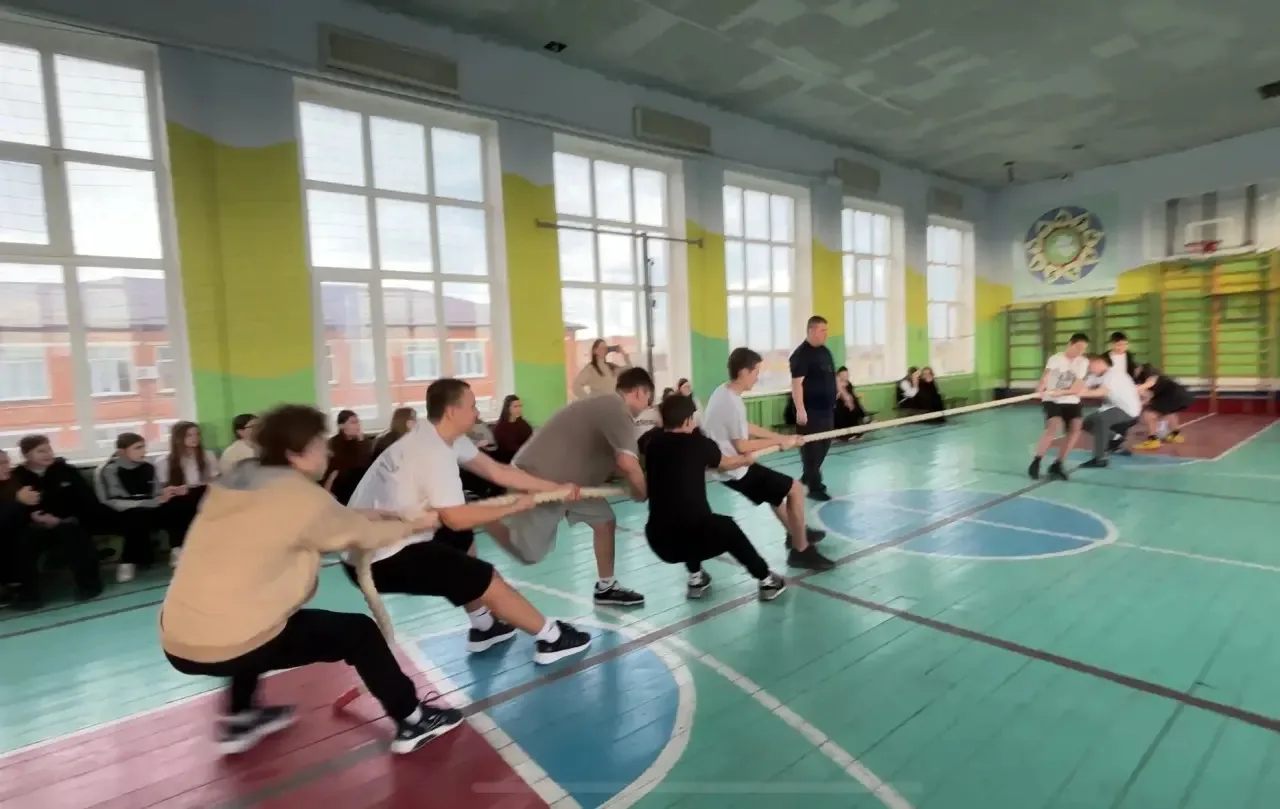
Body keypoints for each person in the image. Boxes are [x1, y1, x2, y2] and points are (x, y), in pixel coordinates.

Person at [160, 404, 463, 757]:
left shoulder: (240, 478)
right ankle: (413, 720)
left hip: (179, 638)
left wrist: (374, 513)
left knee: (252, 621)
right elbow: (360, 535)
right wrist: (416, 524)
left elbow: (312, 518)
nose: (328, 451)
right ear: (295, 454)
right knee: (359, 633)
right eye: (320, 443)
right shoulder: (300, 496)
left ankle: (240, 716)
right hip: (226, 643)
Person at [346, 379, 593, 662]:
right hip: (376, 558)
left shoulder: (438, 435)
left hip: (379, 541)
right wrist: (514, 506)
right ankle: (552, 638)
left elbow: (497, 472)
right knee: (481, 576)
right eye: (472, 406)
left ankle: (485, 627)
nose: (477, 413)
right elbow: (456, 518)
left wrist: (555, 488)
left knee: (460, 540)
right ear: (451, 411)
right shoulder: (433, 453)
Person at [484, 367, 655, 607]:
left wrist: (636, 484)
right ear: (639, 392)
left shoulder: (606, 407)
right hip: (539, 476)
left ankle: (606, 587)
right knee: (529, 553)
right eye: (648, 400)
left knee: (604, 521)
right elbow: (627, 463)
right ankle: (485, 519)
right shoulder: (617, 408)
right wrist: (643, 492)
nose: (647, 407)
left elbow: (616, 463)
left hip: (576, 485)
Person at [642, 395, 787, 601]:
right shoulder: (699, 444)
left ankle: (696, 577)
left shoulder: (652, 444)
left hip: (659, 541)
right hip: (687, 541)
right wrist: (746, 460)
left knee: (693, 515)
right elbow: (726, 463)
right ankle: (767, 580)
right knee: (725, 528)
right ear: (688, 420)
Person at [703, 348, 835, 571]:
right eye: (756, 372)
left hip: (726, 468)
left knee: (774, 494)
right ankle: (801, 551)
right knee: (794, 489)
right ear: (744, 372)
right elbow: (742, 445)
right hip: (735, 470)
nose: (757, 377)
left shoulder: (722, 392)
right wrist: (779, 442)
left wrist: (780, 438)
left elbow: (744, 427)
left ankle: (796, 532)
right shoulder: (732, 403)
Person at [12, 435, 104, 600]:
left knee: (75, 534)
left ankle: (89, 586)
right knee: (22, 542)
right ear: (26, 455)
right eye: (41, 451)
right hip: (34, 527)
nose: (48, 454)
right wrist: (34, 517)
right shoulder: (16, 477)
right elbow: (14, 506)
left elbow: (87, 500)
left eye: (49, 449)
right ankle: (28, 596)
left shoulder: (66, 471)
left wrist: (64, 518)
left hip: (69, 522)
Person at [95, 433, 173, 582]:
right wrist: (151, 502)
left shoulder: (148, 467)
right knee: (137, 515)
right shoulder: (108, 470)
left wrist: (166, 494)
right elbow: (114, 501)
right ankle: (128, 561)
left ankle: (178, 550)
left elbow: (156, 493)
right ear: (122, 451)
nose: (144, 451)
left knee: (176, 506)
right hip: (116, 512)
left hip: (146, 507)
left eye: (144, 447)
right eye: (138, 448)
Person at [789, 315, 838, 501]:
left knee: (824, 445)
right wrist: (800, 410)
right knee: (812, 450)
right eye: (822, 330)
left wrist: (837, 392)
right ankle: (815, 487)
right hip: (810, 412)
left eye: (826, 330)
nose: (826, 334)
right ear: (811, 331)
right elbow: (796, 384)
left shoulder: (825, 352)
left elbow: (831, 376)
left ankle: (808, 476)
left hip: (826, 410)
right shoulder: (801, 355)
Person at [1030, 333, 1091, 480]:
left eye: (1083, 349)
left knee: (1076, 427)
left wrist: (1064, 392)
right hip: (1052, 399)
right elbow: (1046, 376)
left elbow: (1078, 384)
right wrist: (1040, 388)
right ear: (1070, 344)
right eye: (1078, 348)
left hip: (1071, 399)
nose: (1080, 351)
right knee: (1054, 424)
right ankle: (1037, 461)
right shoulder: (1056, 359)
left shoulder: (1083, 362)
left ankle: (1058, 464)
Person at [162, 421, 220, 566]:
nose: (195, 438)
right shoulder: (165, 461)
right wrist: (174, 490)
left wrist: (191, 488)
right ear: (178, 438)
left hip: (203, 493)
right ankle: (177, 549)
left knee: (198, 494)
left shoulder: (207, 456)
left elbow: (215, 481)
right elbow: (164, 487)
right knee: (174, 503)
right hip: (181, 498)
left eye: (197, 434)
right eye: (189, 435)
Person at [1076, 354, 1143, 467]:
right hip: (1111, 409)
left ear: (1099, 362)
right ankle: (1116, 439)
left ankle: (1100, 459)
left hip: (1129, 411)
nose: (1088, 369)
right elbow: (1082, 387)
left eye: (1089, 366)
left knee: (1100, 420)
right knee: (1086, 423)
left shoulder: (1115, 374)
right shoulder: (1094, 376)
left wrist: (1078, 394)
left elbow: (1102, 392)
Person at [0, 450, 43, 609]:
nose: (8, 467)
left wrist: (35, 514)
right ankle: (24, 593)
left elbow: (22, 512)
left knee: (69, 529)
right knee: (20, 541)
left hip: (20, 531)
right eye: (2, 463)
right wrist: (17, 501)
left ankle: (88, 587)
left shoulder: (12, 482)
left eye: (7, 462)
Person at [1133, 364, 1193, 449]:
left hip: (1172, 395)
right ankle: (1175, 435)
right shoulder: (1153, 379)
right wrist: (1142, 400)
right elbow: (1149, 396)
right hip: (1175, 395)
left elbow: (1148, 386)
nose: (1136, 371)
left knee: (1148, 415)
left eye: (1138, 369)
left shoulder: (1151, 377)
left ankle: (1152, 440)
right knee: (1169, 414)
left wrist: (1133, 389)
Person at [324, 410, 371, 505]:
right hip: (340, 486)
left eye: (358, 422)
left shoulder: (363, 441)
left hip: (360, 484)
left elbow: (366, 465)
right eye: (353, 422)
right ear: (341, 426)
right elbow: (332, 471)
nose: (358, 425)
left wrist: (361, 442)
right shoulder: (333, 444)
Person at [491, 395, 533, 464]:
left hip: (524, 456)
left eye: (520, 406)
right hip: (509, 461)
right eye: (515, 406)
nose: (519, 409)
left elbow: (531, 437)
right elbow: (509, 448)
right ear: (507, 408)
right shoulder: (500, 427)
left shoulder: (522, 423)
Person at [834, 367, 870, 438]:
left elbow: (851, 398)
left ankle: (862, 419)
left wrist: (849, 401)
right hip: (839, 406)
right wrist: (839, 395)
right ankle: (846, 434)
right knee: (842, 410)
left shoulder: (849, 384)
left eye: (846, 375)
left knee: (854, 405)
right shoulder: (835, 385)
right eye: (843, 375)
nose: (845, 377)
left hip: (848, 405)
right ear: (839, 376)